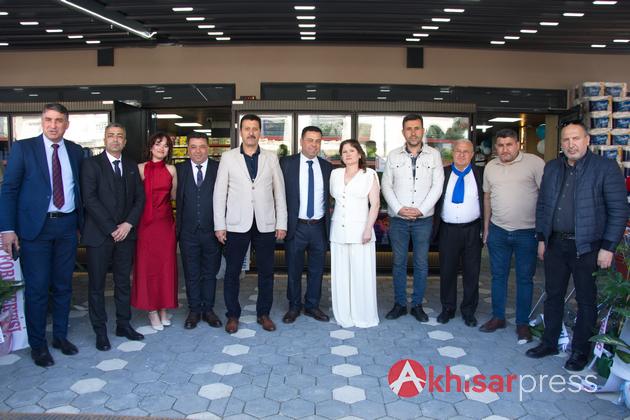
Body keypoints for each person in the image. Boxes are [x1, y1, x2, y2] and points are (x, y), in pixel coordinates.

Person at [526, 121, 627, 371]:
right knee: (553, 295)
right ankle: (549, 342)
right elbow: (543, 206)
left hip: (588, 247)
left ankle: (580, 351)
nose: (571, 144)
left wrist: (608, 247)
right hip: (555, 244)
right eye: (566, 140)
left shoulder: (605, 168)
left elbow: (618, 210)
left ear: (587, 140)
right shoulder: (552, 167)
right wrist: (542, 238)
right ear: (561, 143)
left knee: (585, 300)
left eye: (576, 138)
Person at [0, 103, 83, 367]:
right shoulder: (24, 149)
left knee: (63, 286)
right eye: (48, 119)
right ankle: (38, 345)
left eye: (58, 120)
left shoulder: (76, 151)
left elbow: (79, 189)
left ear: (66, 124)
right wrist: (7, 229)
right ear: (42, 121)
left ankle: (60, 336)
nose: (53, 125)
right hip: (35, 229)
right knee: (37, 288)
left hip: (67, 226)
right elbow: (9, 189)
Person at [214, 114, 287, 334]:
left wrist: (281, 222)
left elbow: (279, 193)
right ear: (241, 131)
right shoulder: (228, 158)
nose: (251, 133)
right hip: (236, 223)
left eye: (255, 128)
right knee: (232, 272)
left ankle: (263, 313)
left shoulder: (271, 158)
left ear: (260, 132)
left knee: (266, 271)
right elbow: (220, 193)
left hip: (265, 223)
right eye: (247, 128)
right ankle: (232, 315)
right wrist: (219, 225)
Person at [82, 122, 145, 351]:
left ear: (125, 141)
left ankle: (123, 324)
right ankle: (100, 331)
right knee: (97, 286)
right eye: (111, 135)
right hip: (100, 235)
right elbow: (90, 199)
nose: (115, 139)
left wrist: (128, 224)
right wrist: (111, 228)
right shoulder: (91, 165)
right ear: (104, 139)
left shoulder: (130, 165)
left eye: (119, 136)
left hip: (125, 235)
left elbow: (140, 198)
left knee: (123, 282)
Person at [480, 128, 545, 342]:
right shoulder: (491, 166)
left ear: (518, 144)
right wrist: (487, 228)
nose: (505, 149)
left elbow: (546, 198)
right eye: (500, 145)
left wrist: (542, 234)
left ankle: (522, 323)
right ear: (496, 147)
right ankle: (498, 317)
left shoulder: (534, 163)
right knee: (498, 276)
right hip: (498, 231)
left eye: (509, 145)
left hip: (527, 233)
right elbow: (487, 198)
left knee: (525, 279)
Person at [381, 113, 444, 322]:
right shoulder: (393, 155)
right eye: (409, 129)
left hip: (423, 220)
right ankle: (400, 304)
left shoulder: (434, 155)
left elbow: (437, 186)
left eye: (417, 128)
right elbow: (386, 185)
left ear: (423, 131)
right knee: (398, 263)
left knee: (421, 263)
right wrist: (399, 208)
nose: (413, 133)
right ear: (403, 132)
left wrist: (421, 210)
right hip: (398, 220)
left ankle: (417, 305)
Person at [280, 126, 333, 324]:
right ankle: (294, 306)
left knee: (316, 270)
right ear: (301, 141)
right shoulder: (286, 163)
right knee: (293, 270)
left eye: (318, 141)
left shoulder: (327, 167)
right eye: (310, 140)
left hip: (319, 227)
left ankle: (312, 305)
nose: (314, 144)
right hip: (296, 226)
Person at [329, 139, 380, 328]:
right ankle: (344, 315)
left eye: (352, 150)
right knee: (341, 275)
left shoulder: (369, 174)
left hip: (361, 232)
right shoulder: (335, 174)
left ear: (359, 154)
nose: (348, 154)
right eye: (344, 151)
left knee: (361, 274)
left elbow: (375, 204)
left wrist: (368, 229)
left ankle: (363, 315)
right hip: (338, 231)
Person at [434, 140, 483, 327]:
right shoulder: (443, 173)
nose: (462, 155)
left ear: (472, 154)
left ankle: (469, 311)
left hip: (472, 230)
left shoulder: (480, 174)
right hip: (448, 230)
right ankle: (448, 308)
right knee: (447, 271)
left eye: (466, 151)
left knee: (472, 273)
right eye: (458, 151)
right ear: (452, 153)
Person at [132, 132, 178, 330]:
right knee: (147, 267)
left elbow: (174, 196)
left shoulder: (171, 169)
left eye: (166, 146)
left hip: (165, 224)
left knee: (166, 267)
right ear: (151, 147)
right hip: (145, 224)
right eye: (158, 144)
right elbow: (134, 198)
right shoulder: (140, 169)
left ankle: (164, 309)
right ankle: (151, 311)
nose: (161, 148)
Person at [176, 132, 222, 329]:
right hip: (188, 232)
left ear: (208, 148)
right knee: (191, 273)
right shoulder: (179, 170)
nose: (198, 151)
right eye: (193, 147)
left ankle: (208, 310)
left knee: (210, 273)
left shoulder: (219, 168)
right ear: (188, 149)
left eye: (202, 146)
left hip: (213, 232)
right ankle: (194, 310)